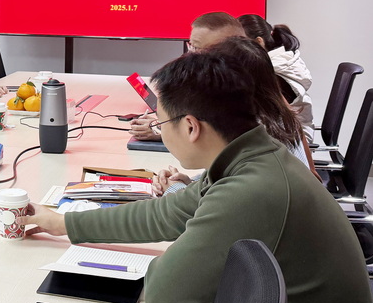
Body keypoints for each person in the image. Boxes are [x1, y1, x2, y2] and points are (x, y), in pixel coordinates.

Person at [19, 49, 373, 303]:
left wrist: (178, 260)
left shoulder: (250, 190)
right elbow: (167, 213)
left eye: (161, 123)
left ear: (190, 127)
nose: (160, 131)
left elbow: (166, 298)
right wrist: (63, 223)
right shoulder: (250, 155)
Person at [152, 37, 318, 195]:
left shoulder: (256, 131)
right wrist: (190, 185)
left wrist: (176, 190)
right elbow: (225, 179)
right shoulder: (274, 114)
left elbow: (227, 198)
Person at [130, 11, 246, 141]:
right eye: (192, 46)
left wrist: (163, 132)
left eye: (200, 49)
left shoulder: (245, 91)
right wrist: (164, 126)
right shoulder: (208, 81)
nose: (192, 56)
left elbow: (218, 138)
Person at [238, 13, 313, 142]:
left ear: (259, 42)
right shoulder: (283, 61)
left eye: (240, 44)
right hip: (287, 136)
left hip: (293, 143)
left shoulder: (275, 72)